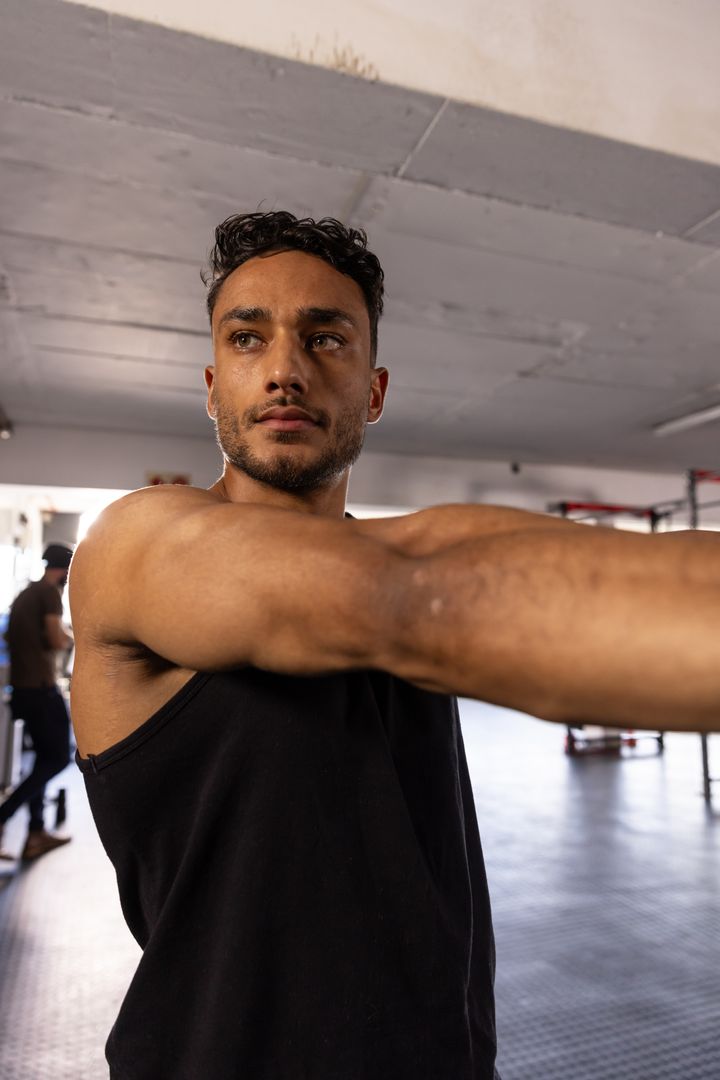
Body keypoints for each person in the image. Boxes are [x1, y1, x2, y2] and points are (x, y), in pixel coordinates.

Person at [69, 212, 720, 1080]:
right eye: (248, 337)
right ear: (213, 383)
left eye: (325, 337)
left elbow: (446, 557)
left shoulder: (397, 546)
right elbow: (409, 597)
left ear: (373, 392)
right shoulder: (136, 548)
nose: (286, 368)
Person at [0, 543, 73, 861]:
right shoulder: (49, 594)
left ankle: (36, 833)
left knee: (43, 759)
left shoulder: (26, 594)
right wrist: (78, 636)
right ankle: (4, 817)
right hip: (41, 690)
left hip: (23, 689)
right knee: (58, 758)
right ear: (65, 570)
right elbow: (56, 639)